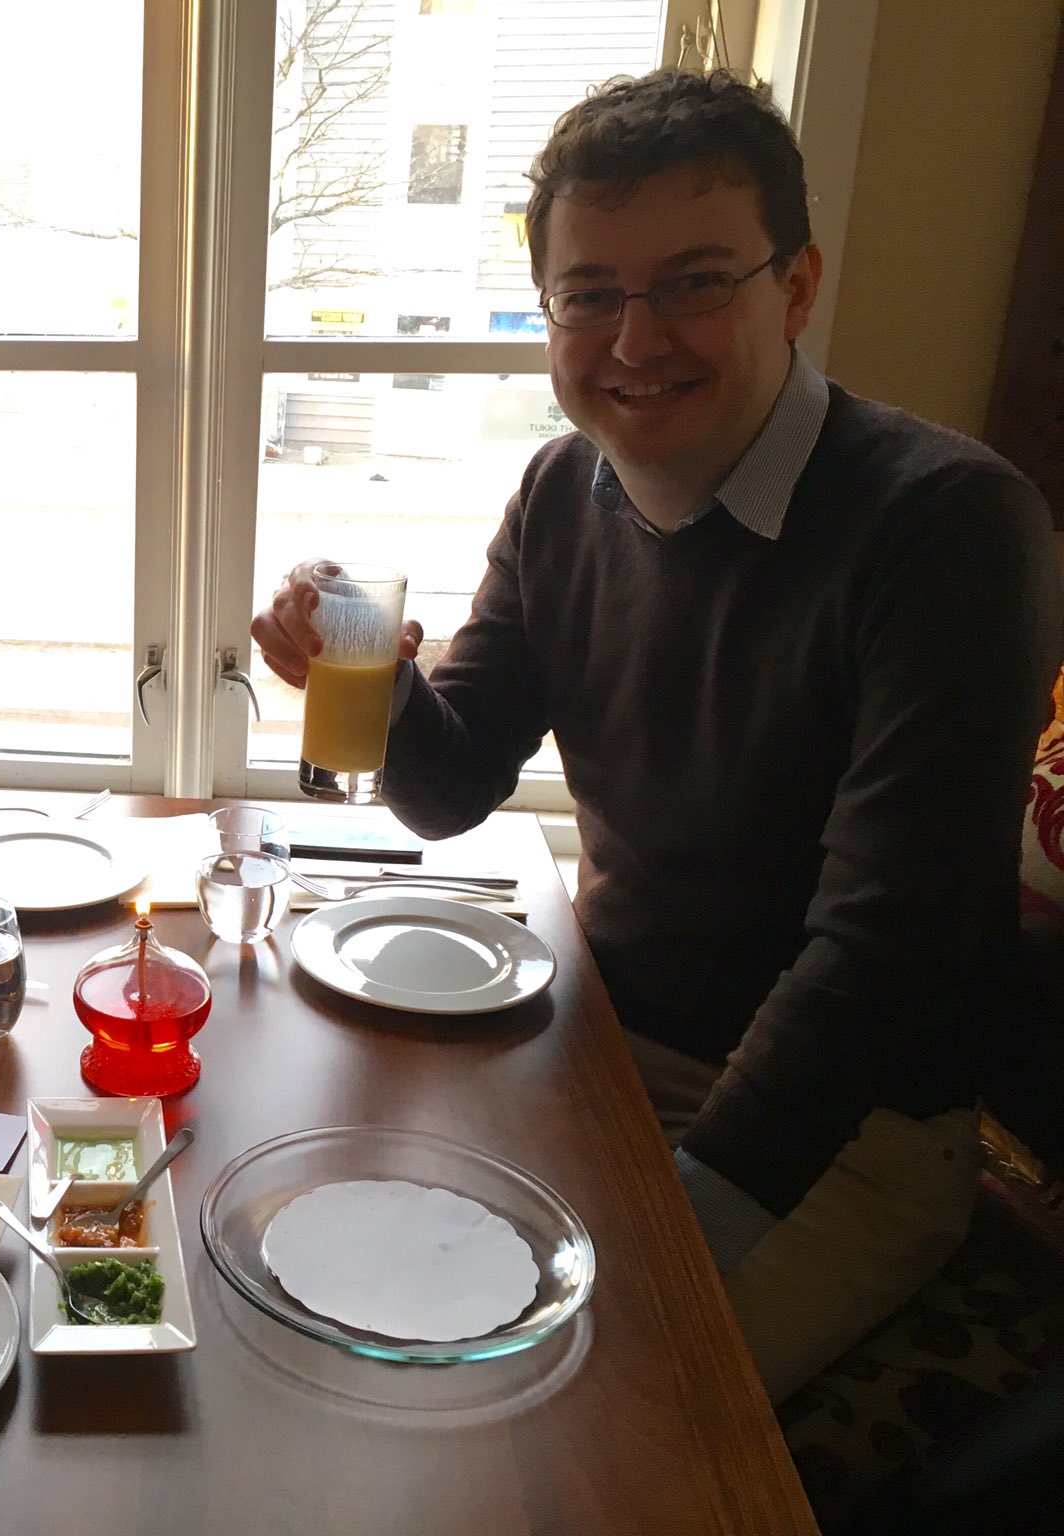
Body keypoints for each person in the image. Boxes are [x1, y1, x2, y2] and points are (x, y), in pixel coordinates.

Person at [252, 70, 1063, 1401]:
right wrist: (375, 682)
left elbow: (886, 946)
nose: (636, 340)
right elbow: (454, 785)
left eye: (694, 281)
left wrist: (670, 1227)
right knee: (296, 1248)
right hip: (598, 1044)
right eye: (590, 294)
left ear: (794, 289)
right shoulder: (564, 487)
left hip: (848, 1125)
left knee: (571, 1401)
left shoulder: (950, 527)